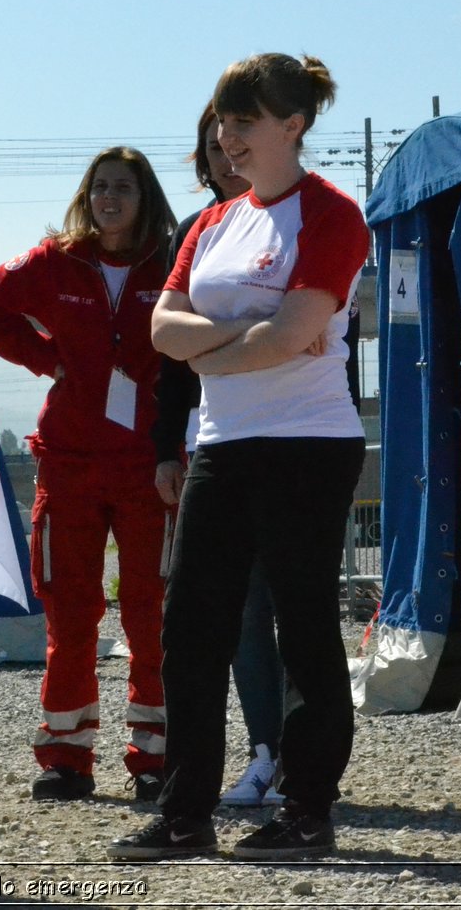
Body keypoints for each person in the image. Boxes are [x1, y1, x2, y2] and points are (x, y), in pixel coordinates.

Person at [109, 53, 368, 862]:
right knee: (191, 631)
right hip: (221, 444)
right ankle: (185, 812)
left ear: (292, 126)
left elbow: (296, 334)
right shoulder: (211, 224)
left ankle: (307, 809)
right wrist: (244, 343)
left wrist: (214, 347)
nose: (227, 137)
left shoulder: (331, 214)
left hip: (308, 445)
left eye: (243, 120)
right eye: (222, 121)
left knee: (305, 631)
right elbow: (162, 332)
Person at [0, 147, 174, 804]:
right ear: (87, 195)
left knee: (152, 615)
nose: (110, 198)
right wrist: (47, 359)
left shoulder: (171, 258)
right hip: (69, 462)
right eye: (100, 186)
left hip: (149, 464)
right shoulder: (55, 259)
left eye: (124, 188)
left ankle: (157, 758)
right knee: (71, 613)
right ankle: (66, 757)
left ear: (146, 198)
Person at [151, 106, 286, 809]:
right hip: (214, 439)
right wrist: (165, 447)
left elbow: (321, 335)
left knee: (298, 606)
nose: (227, 157)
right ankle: (267, 750)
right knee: (233, 611)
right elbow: (169, 355)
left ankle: (307, 755)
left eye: (239, 142)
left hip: (296, 438)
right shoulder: (196, 231)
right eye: (213, 147)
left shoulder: (301, 218)